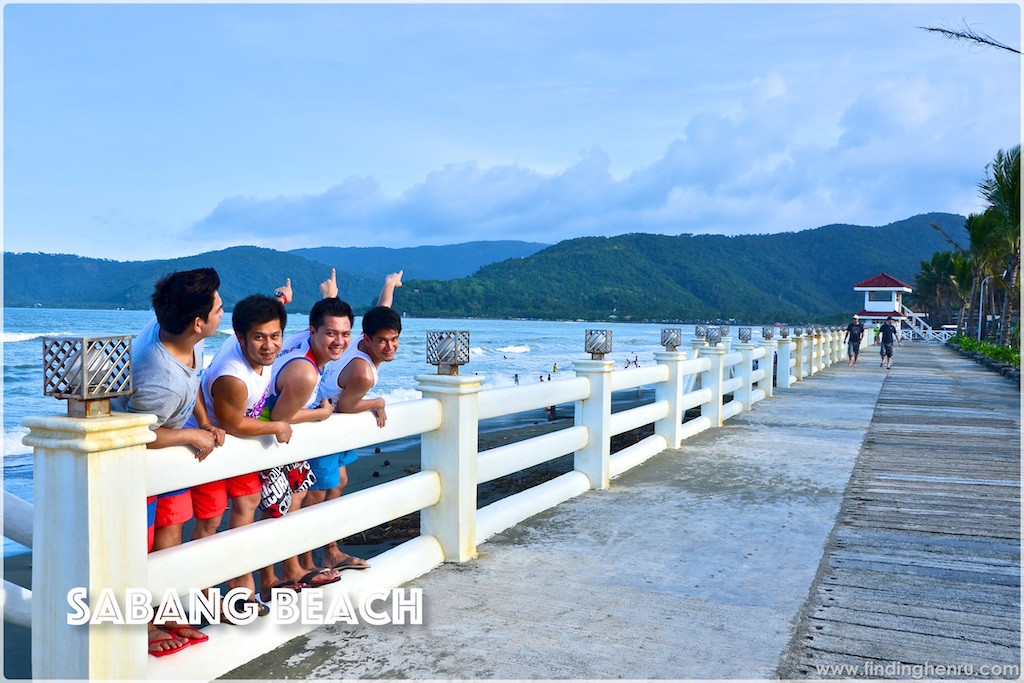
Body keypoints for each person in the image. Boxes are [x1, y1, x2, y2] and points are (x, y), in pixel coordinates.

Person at [117, 268, 224, 656]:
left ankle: (165, 611)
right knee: (142, 546)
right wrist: (192, 434)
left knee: (172, 529)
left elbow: (192, 378)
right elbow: (141, 434)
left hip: (171, 456)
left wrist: (206, 420)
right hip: (140, 464)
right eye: (217, 308)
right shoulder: (158, 376)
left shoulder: (181, 330)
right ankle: (144, 624)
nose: (221, 311)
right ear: (198, 323)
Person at [187, 293, 293, 611]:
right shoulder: (233, 375)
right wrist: (277, 426)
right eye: (259, 337)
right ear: (240, 337)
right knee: (210, 520)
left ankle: (240, 583)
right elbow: (233, 424)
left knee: (247, 503)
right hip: (211, 449)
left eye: (275, 336)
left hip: (238, 452)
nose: (269, 345)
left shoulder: (259, 350)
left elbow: (269, 321)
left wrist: (281, 301)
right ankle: (205, 593)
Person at [301, 271, 404, 570]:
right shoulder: (363, 372)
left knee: (339, 481)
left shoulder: (361, 340)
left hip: (332, 427)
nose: (389, 347)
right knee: (317, 492)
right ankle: (307, 561)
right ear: (368, 338)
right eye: (382, 341)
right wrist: (378, 402)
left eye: (395, 340)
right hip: (323, 426)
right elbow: (347, 407)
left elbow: (382, 311)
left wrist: (388, 285)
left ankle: (330, 550)